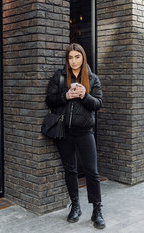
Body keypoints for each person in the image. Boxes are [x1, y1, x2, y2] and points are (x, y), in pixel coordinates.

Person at [46, 43, 106, 229]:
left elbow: (98, 103)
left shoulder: (93, 79)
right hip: (64, 131)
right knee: (70, 169)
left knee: (91, 171)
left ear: (83, 58)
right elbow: (49, 99)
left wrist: (84, 95)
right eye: (70, 57)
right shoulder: (60, 76)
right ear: (67, 59)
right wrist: (66, 96)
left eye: (77, 57)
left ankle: (97, 209)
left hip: (85, 131)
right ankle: (76, 206)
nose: (73, 61)